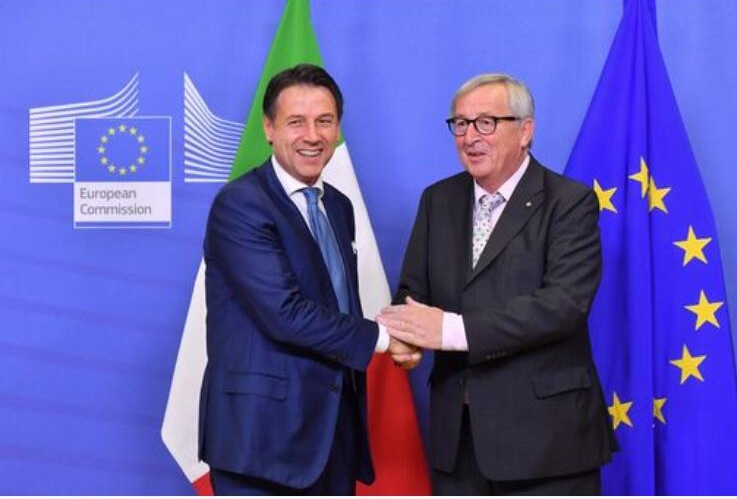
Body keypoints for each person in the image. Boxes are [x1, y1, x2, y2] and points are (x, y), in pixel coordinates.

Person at [378, 73, 616, 495]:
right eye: (461, 124)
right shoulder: (438, 200)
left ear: (525, 131)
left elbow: (563, 305)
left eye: (486, 123)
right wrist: (406, 336)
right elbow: (413, 291)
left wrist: (450, 330)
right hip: (458, 442)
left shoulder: (570, 202)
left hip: (547, 445)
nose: (471, 137)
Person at [199, 64, 419, 495]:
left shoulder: (337, 205)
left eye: (325, 121)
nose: (313, 136)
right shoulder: (241, 205)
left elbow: (335, 301)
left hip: (333, 433)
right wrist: (386, 338)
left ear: (338, 129)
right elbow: (285, 313)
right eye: (296, 122)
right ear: (269, 129)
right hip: (262, 442)